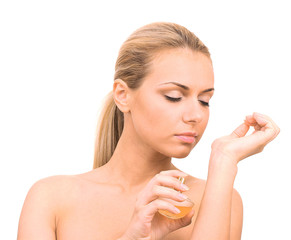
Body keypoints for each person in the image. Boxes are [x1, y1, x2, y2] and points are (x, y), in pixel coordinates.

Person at [17, 22, 280, 240]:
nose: (196, 115)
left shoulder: (217, 197)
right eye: (174, 96)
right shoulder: (51, 198)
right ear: (123, 95)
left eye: (204, 100)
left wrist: (224, 162)